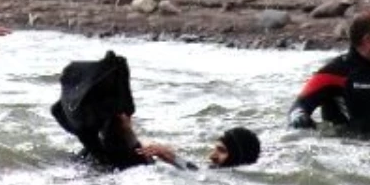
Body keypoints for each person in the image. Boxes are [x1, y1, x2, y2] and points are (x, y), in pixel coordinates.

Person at [51, 51, 261, 171]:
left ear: (239, 158)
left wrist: (169, 156)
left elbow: (199, 176)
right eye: (217, 148)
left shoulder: (230, 178)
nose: (213, 155)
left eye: (222, 151)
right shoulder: (216, 172)